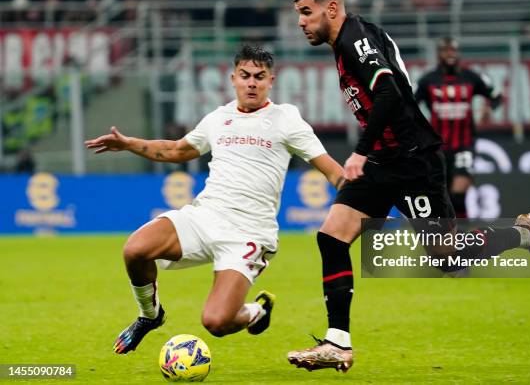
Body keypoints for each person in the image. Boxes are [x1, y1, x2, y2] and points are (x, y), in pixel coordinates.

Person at [289, 0, 530, 373]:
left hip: (413, 160)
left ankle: (523, 234)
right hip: (384, 164)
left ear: (331, 8)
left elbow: (389, 94)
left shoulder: (354, 39)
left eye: (306, 12)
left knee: (445, 253)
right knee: (332, 237)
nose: (301, 22)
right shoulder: (352, 39)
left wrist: (359, 152)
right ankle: (338, 343)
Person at [85, 45, 345, 354]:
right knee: (135, 249)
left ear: (271, 81)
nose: (252, 83)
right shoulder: (218, 118)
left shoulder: (286, 119)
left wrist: (365, 201)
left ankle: (256, 311)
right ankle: (150, 316)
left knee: (216, 322)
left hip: (248, 233)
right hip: (205, 217)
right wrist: (129, 144)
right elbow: (176, 151)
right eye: (245, 76)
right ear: (233, 78)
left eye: (259, 77)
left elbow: (333, 171)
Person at [415, 37, 503, 219]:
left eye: (453, 50)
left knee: (458, 197)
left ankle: (463, 237)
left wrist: (489, 108)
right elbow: (409, 105)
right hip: (437, 148)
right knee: (441, 198)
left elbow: (496, 95)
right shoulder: (427, 80)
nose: (450, 54)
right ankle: (448, 238)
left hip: (464, 145)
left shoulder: (471, 77)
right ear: (439, 54)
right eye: (446, 50)